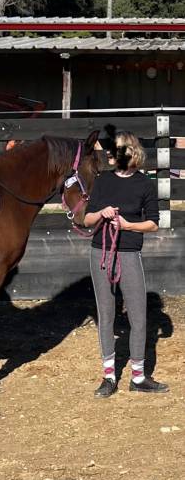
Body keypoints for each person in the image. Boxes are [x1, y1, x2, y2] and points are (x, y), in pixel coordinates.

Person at [84, 131, 169, 398]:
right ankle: (109, 377)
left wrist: (128, 225)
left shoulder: (145, 184)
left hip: (130, 253)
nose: (110, 154)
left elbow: (154, 223)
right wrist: (102, 213)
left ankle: (138, 376)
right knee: (106, 315)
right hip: (102, 253)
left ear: (130, 153)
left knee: (138, 316)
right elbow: (87, 220)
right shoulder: (102, 181)